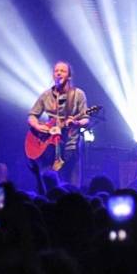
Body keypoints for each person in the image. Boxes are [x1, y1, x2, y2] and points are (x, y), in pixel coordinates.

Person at [27, 60, 90, 189]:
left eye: (63, 71)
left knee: (71, 187)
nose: (59, 73)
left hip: (70, 146)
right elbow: (32, 116)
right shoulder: (46, 95)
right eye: (56, 71)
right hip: (49, 147)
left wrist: (77, 123)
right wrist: (39, 127)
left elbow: (86, 118)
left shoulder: (78, 94)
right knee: (49, 186)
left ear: (69, 76)